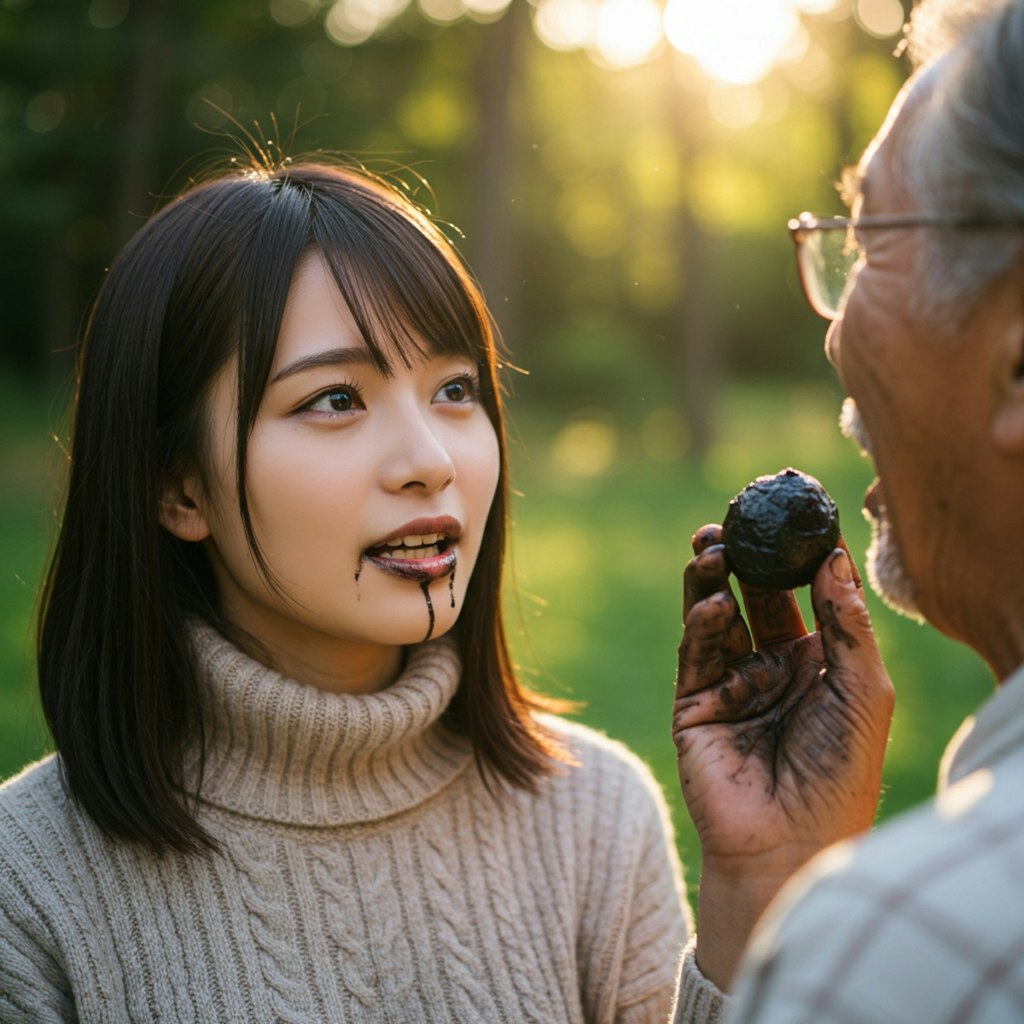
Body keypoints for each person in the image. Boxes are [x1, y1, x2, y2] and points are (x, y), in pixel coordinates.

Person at [0, 162, 690, 1021]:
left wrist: (759, 881)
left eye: (454, 390)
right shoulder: (25, 887)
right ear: (178, 488)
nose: (431, 460)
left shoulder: (597, 815)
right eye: (335, 398)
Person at [670, 0, 1024, 1020]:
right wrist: (773, 880)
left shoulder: (905, 956)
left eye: (865, 244)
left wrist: (822, 941)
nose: (831, 337)